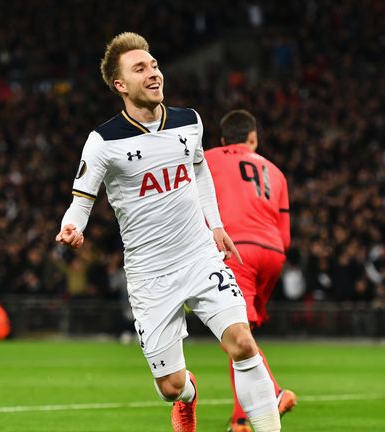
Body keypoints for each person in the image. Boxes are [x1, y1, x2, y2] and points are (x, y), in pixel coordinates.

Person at [55, 32, 281, 432]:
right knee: (170, 385)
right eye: (140, 68)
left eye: (155, 64)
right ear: (120, 85)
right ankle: (188, 395)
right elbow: (82, 199)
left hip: (198, 255)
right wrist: (72, 227)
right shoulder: (103, 141)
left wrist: (216, 226)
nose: (153, 73)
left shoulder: (188, 121)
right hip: (150, 275)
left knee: (243, 344)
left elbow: (199, 169)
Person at [205, 110, 296, 432]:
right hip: (273, 253)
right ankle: (241, 419)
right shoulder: (277, 172)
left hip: (235, 249)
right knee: (242, 335)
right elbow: (285, 233)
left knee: (235, 335)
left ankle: (273, 392)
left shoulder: (208, 159)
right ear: (253, 139)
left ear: (222, 140)